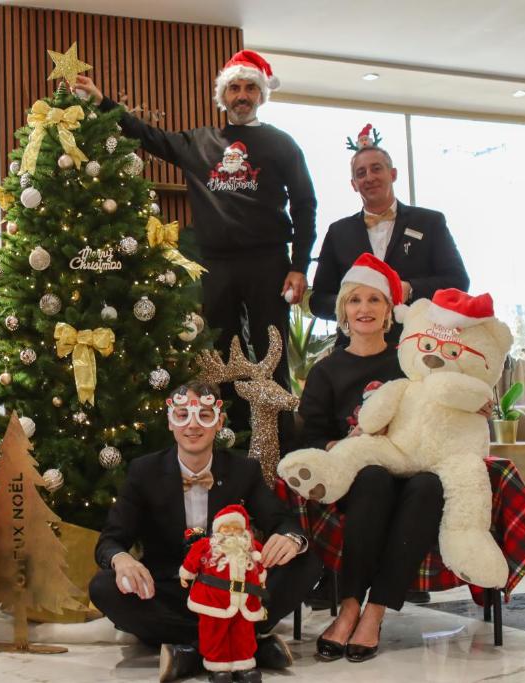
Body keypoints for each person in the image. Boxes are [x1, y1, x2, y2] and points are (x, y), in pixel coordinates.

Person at [75, 49, 316, 444]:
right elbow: (147, 135)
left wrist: (299, 265)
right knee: (220, 355)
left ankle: (283, 445)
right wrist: (103, 102)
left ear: (260, 94)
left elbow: (306, 206)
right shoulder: (199, 142)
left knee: (272, 356)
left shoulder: (281, 144)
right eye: (234, 87)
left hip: (268, 263)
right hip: (215, 266)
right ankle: (233, 439)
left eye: (250, 88)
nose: (242, 94)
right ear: (223, 96)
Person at [89, 381, 322, 682]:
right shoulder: (143, 472)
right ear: (171, 422)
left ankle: (192, 654)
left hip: (234, 589)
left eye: (204, 415)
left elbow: (281, 519)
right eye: (183, 415)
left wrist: (290, 538)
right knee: (104, 586)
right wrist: (123, 559)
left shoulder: (243, 471)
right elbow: (110, 540)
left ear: (219, 422)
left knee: (307, 561)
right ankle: (241, 647)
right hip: (173, 590)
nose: (193, 426)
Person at [298, 254, 445, 663]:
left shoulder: (409, 363)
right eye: (355, 300)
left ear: (388, 312)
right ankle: (348, 607)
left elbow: (440, 407)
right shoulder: (326, 371)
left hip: (410, 468)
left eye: (374, 300)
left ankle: (375, 611)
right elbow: (311, 437)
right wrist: (346, 444)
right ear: (344, 311)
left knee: (429, 486)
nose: (364, 309)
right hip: (355, 478)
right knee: (373, 477)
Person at [310, 131, 468, 347]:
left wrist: (409, 289)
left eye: (376, 169)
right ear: (354, 184)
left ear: (393, 174)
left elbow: (458, 282)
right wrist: (351, 303)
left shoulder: (429, 222)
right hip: (354, 350)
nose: (370, 177)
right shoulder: (338, 232)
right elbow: (318, 300)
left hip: (418, 347)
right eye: (361, 173)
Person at [180, 505, 268, 683]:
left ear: (243, 530)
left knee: (243, 634)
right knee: (214, 633)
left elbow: (260, 567)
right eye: (226, 527)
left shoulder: (251, 548)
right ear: (217, 529)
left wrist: (261, 578)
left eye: (236, 528)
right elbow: (191, 561)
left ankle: (244, 666)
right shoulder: (205, 546)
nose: (231, 531)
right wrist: (186, 575)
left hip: (244, 601)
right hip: (213, 601)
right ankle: (218, 667)